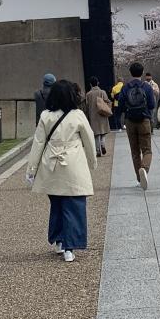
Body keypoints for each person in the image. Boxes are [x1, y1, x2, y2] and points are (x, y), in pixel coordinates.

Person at [25, 79, 97, 263]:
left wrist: (31, 169)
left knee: (57, 204)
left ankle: (58, 240)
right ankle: (69, 246)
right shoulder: (77, 115)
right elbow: (89, 140)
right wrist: (92, 161)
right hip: (72, 164)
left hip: (51, 165)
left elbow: (38, 143)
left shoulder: (45, 116)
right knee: (74, 205)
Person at [120, 61, 157, 190]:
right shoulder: (147, 87)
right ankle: (144, 169)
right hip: (144, 120)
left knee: (135, 151)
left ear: (130, 73)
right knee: (147, 150)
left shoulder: (125, 87)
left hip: (130, 121)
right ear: (142, 73)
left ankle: (139, 178)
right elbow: (152, 105)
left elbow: (120, 105)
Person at [84, 76, 112, 156]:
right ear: (98, 83)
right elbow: (107, 101)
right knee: (103, 132)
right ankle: (103, 144)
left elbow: (86, 106)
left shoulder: (88, 94)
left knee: (96, 134)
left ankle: (98, 150)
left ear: (90, 84)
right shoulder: (102, 92)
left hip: (93, 116)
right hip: (102, 114)